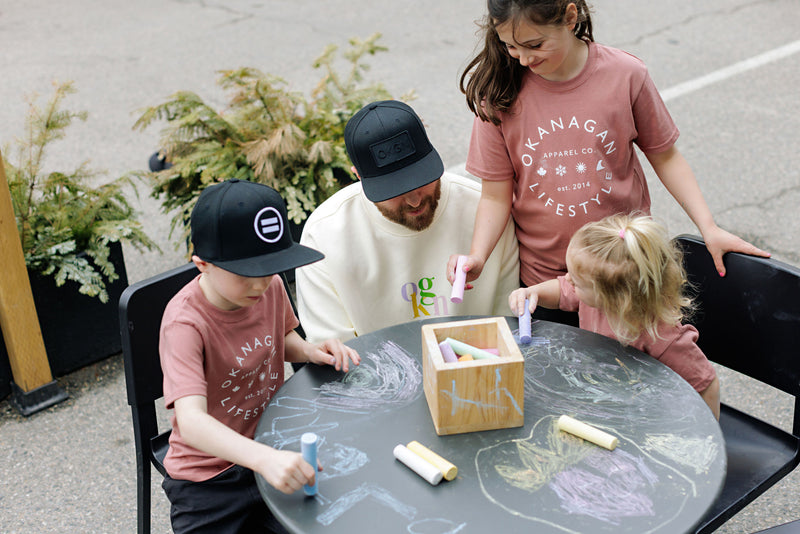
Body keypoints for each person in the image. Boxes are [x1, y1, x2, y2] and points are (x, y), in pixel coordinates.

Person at [450, 0, 769, 319]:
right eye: (510, 46)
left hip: (625, 274)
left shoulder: (626, 74)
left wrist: (709, 226)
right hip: (544, 285)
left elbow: (666, 157)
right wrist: (479, 255)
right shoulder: (499, 93)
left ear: (570, 17)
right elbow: (495, 195)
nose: (523, 58)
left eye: (535, 44)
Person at [159, 179, 360, 534]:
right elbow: (191, 422)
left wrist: (311, 350)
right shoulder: (184, 323)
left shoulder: (270, 286)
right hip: (209, 478)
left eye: (270, 268)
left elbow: (282, 337)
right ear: (202, 264)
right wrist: (263, 459)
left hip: (274, 443)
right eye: (246, 274)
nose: (260, 284)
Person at [295, 100, 520, 343]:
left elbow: (507, 325)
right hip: (375, 375)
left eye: (421, 179)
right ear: (358, 176)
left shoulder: (484, 212)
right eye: (394, 189)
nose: (414, 201)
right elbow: (332, 349)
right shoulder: (324, 235)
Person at [508, 213, 721, 419]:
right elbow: (562, 290)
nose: (568, 280)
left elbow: (705, 383)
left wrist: (707, 438)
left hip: (645, 414)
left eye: (576, 280)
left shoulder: (663, 338)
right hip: (606, 396)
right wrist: (532, 292)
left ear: (615, 298)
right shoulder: (596, 299)